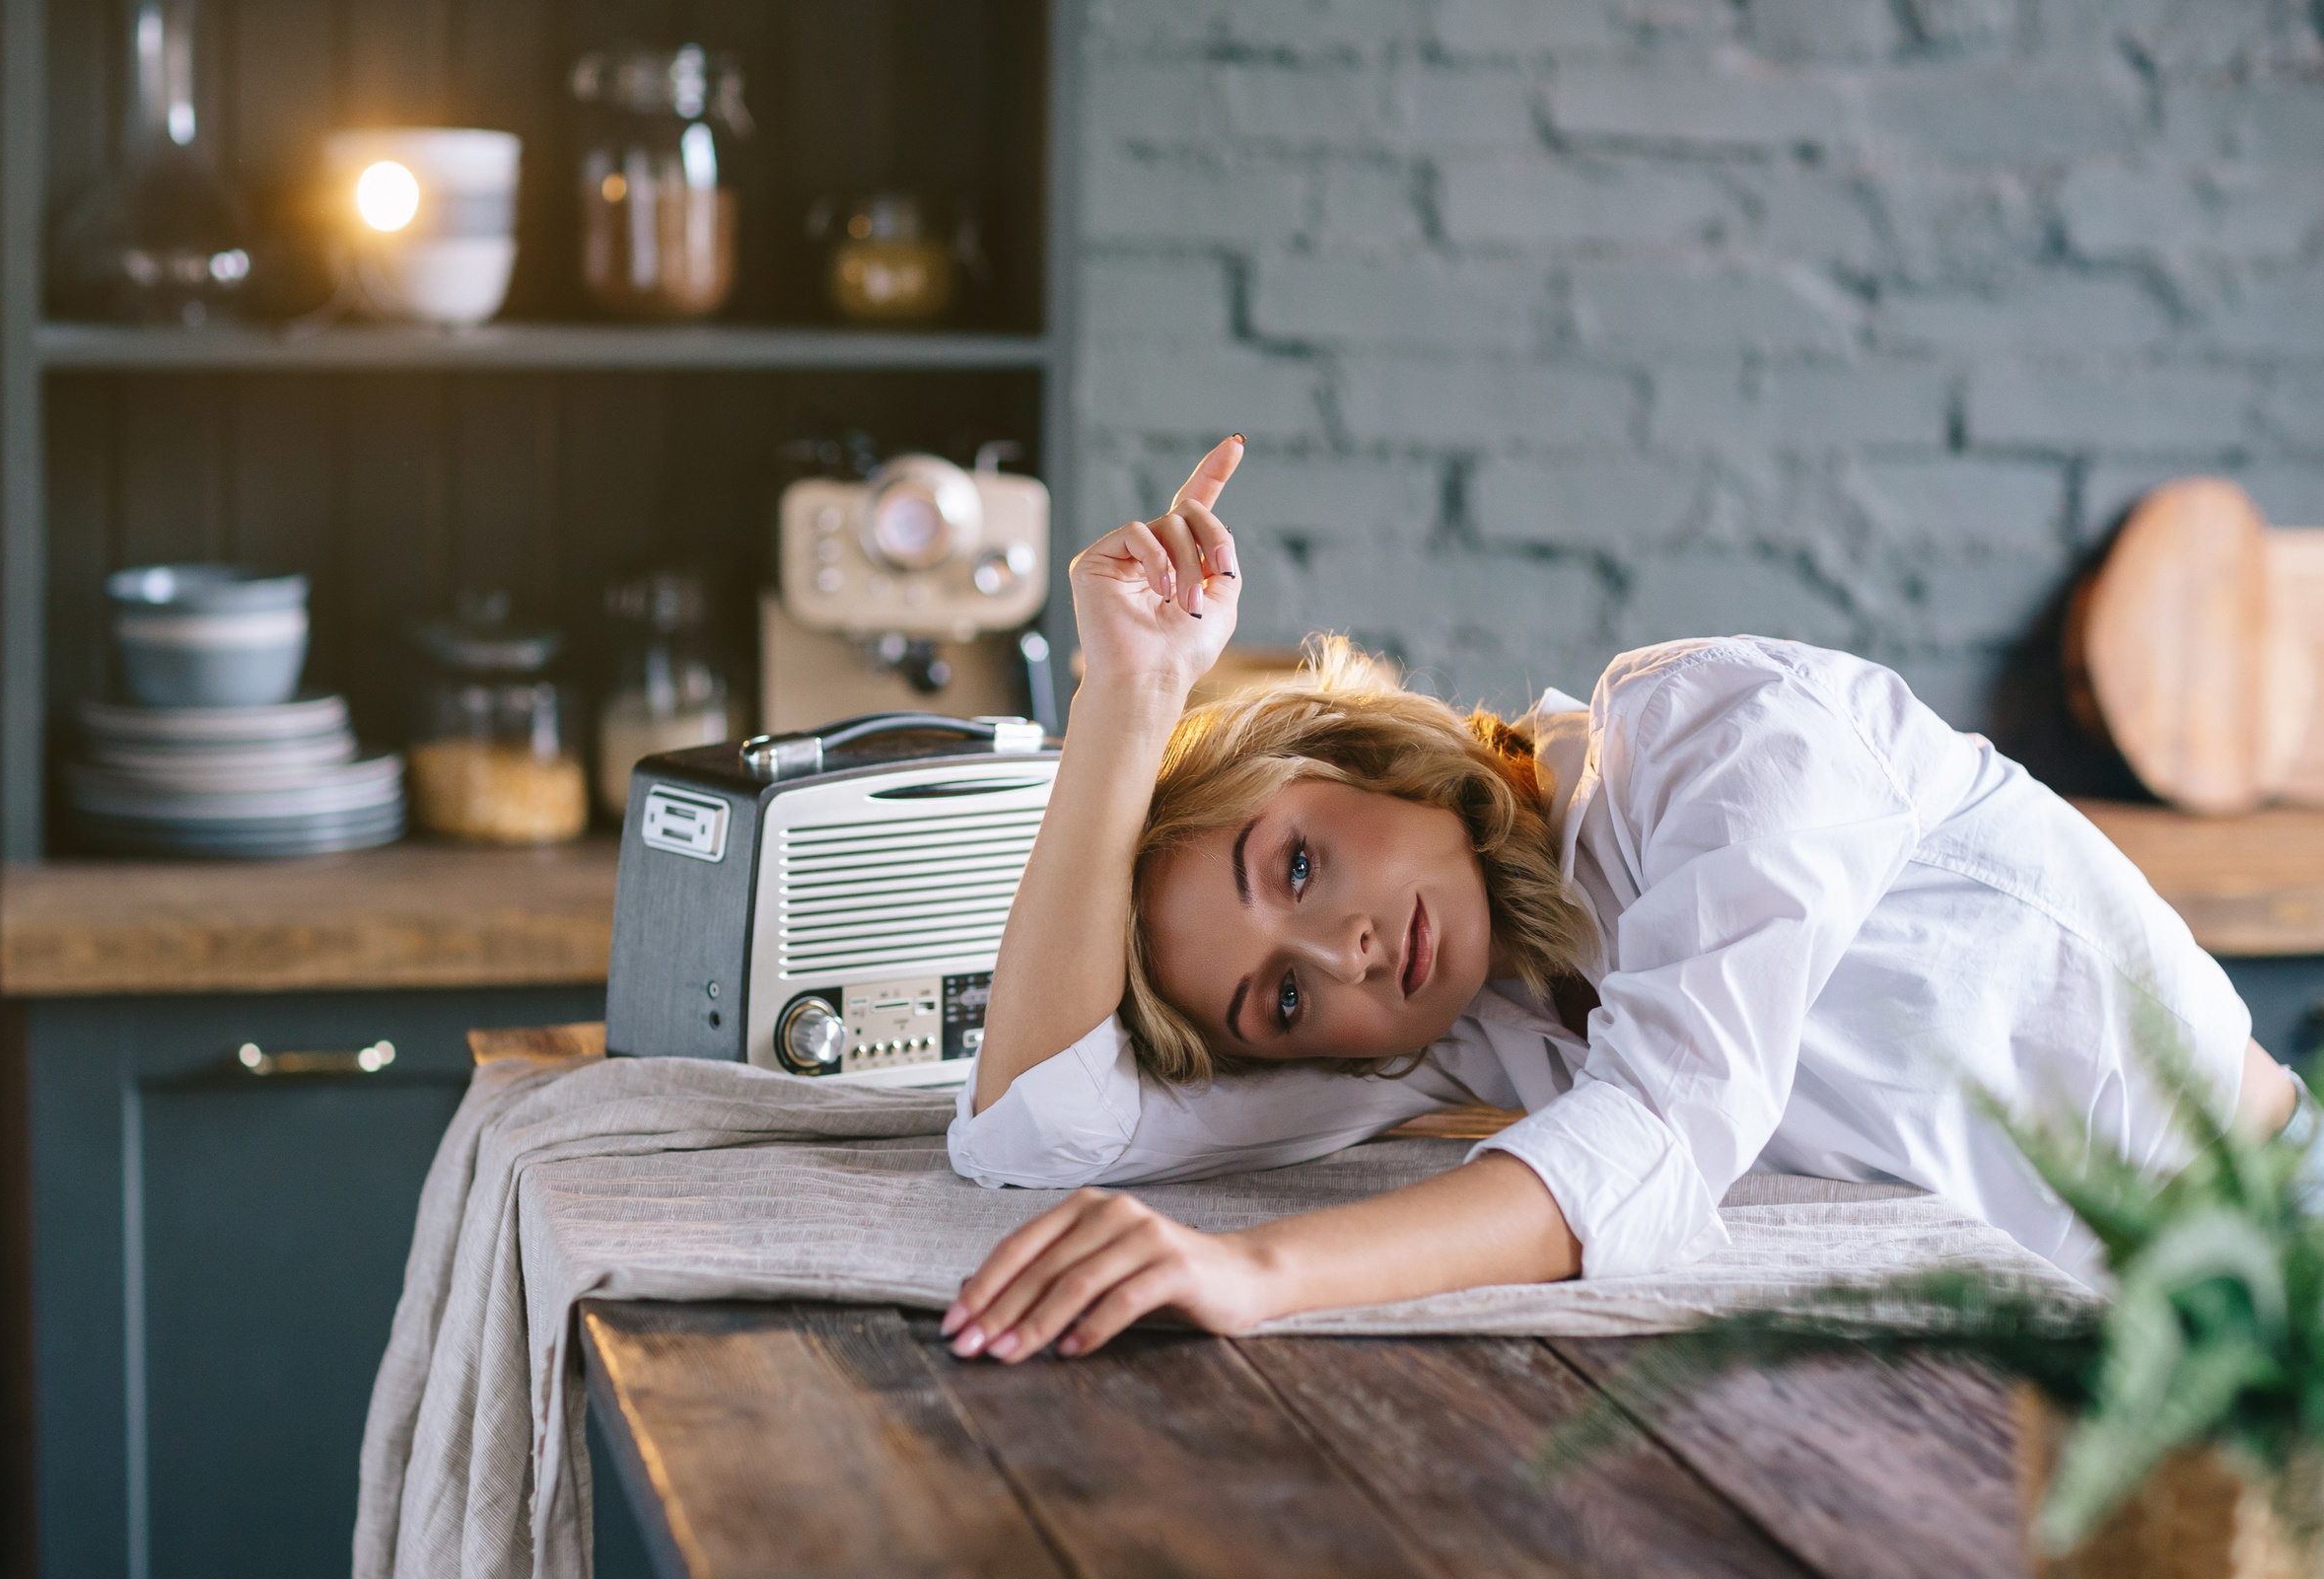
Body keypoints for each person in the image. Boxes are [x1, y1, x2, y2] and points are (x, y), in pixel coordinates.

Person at [937, 435, 2305, 1365]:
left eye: (1294, 863)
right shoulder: (1456, 1023)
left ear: (1356, 758)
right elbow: (1033, 1134)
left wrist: (1262, 1274)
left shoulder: (1729, 738)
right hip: (2095, 1358)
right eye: (1280, 997)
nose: (1342, 953)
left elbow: (1661, 1134)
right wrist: (1126, 697)